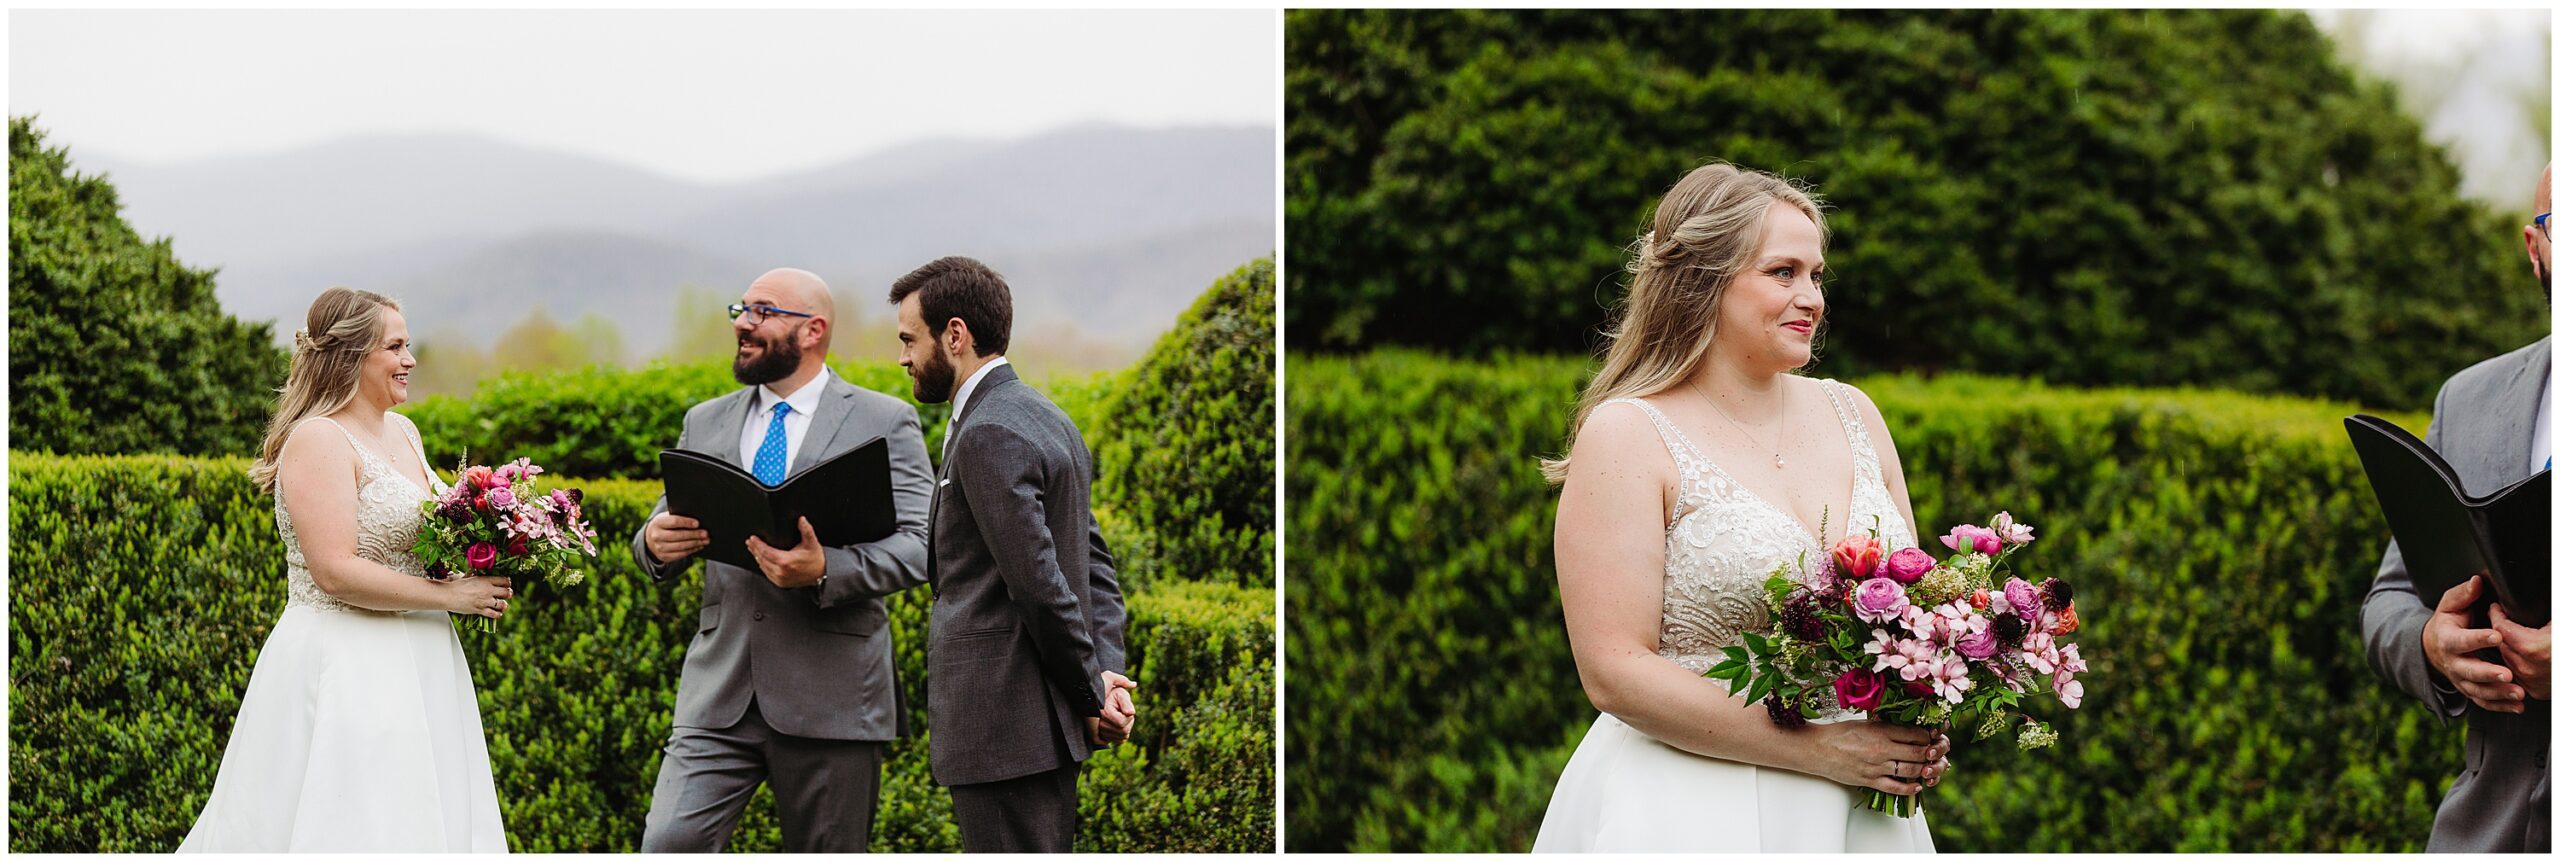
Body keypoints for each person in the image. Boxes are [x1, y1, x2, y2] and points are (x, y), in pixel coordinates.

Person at [1534, 163, 1950, 852]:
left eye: (1816, 275)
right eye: (1782, 272)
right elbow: (1613, 669)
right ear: (1702, 284)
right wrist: (1819, 751)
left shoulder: (1856, 413)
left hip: (1862, 817)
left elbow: (1920, 606)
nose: (1810, 296)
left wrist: (1933, 691)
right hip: (1688, 802)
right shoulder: (1629, 434)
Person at [180, 288, 511, 852]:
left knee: (425, 820)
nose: (410, 359)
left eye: (409, 345)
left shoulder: (405, 433)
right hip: (347, 658)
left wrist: (498, 530)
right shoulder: (318, 439)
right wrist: (453, 596)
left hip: (425, 656)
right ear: (352, 356)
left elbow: (421, 536)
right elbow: (334, 571)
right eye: (396, 346)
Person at [631, 268, 934, 852]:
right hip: (716, 696)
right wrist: (653, 542)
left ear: (813, 330)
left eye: (763, 312)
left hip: (833, 698)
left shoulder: (883, 419)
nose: (743, 324)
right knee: (667, 845)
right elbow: (661, 522)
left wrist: (826, 570)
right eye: (741, 310)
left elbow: (924, 543)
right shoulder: (706, 419)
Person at [888, 256, 1136, 852]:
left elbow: (1040, 585)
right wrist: (1105, 671)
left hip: (1004, 731)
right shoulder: (1047, 416)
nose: (902, 358)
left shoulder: (986, 432)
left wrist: (1091, 692)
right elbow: (1094, 562)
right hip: (1035, 730)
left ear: (955, 334)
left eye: (908, 339)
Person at [2358, 164, 2552, 853]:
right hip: (2483, 831)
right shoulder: (2466, 401)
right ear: (2535, 250)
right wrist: (2433, 646)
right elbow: (2387, 602)